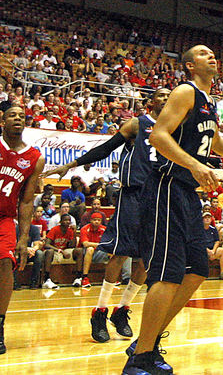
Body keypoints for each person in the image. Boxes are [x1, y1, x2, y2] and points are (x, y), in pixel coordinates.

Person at [122, 45, 223, 375]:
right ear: (191, 66)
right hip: (166, 186)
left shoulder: (209, 101)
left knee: (198, 270)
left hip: (188, 193)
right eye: (204, 54)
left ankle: (145, 342)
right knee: (167, 273)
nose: (212, 56)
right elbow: (158, 136)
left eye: (213, 53)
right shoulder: (184, 91)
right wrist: (194, 165)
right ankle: (141, 358)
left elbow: (216, 143)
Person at [51, 87, 171, 343]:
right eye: (161, 95)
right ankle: (100, 310)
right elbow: (105, 148)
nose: (166, 99)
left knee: (146, 261)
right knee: (120, 253)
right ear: (151, 102)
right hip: (133, 195)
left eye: (169, 97)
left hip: (159, 197)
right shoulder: (137, 124)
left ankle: (122, 309)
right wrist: (71, 165)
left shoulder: (174, 129)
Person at [0, 103, 45, 353]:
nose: (17, 118)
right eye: (12, 115)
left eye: (21, 115)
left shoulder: (34, 157)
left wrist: (24, 236)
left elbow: (27, 200)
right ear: (2, 121)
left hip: (4, 218)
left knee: (5, 263)